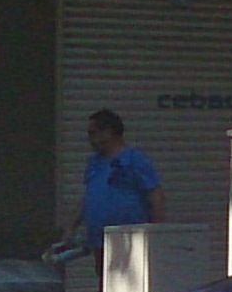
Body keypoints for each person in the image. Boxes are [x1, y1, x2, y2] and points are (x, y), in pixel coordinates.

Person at [61, 110, 163, 263]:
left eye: (92, 133)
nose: (89, 139)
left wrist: (156, 234)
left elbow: (156, 197)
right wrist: (71, 226)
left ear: (107, 133)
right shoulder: (94, 162)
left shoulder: (134, 159)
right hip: (100, 240)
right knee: (105, 283)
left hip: (129, 240)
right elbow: (89, 196)